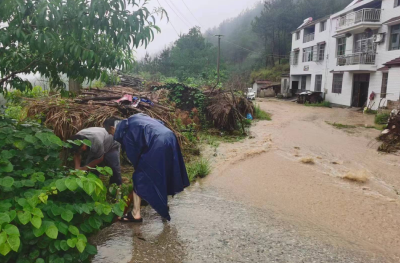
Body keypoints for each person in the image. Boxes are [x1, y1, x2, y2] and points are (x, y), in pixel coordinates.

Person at [103, 114, 190, 222]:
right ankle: (163, 203)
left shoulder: (125, 130)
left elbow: (135, 156)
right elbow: (159, 123)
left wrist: (140, 171)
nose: (112, 135)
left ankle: (135, 214)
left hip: (157, 142)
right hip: (169, 137)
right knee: (163, 172)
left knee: (139, 177)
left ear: (112, 128)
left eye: (110, 133)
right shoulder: (135, 118)